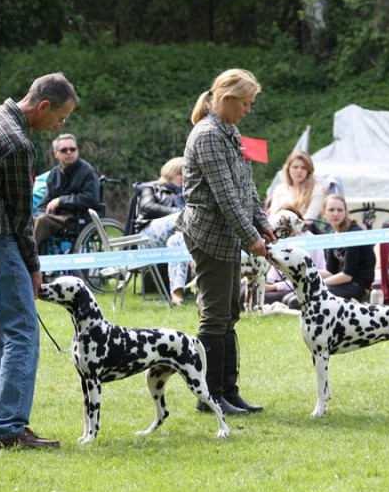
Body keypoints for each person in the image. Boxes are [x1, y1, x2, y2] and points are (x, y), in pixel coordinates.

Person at [0, 72, 78, 450]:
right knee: (21, 334)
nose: (59, 126)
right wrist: (34, 267)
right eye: (60, 118)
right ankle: (8, 428)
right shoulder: (18, 145)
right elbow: (22, 219)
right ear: (43, 106)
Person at [176, 68, 276, 416]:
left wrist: (262, 223)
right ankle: (210, 396)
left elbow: (245, 187)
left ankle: (229, 392)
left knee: (230, 312)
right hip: (209, 236)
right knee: (215, 316)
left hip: (229, 235)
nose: (248, 110)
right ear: (228, 98)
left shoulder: (230, 131)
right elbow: (224, 196)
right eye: (246, 103)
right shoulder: (207, 135)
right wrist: (252, 238)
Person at [282, 193, 375, 310]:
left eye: (340, 210)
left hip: (357, 286)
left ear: (345, 212)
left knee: (295, 301)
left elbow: (347, 276)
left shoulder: (353, 234)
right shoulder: (332, 235)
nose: (336, 214)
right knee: (287, 299)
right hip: (342, 284)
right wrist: (304, 270)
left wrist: (315, 283)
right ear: (324, 213)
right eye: (331, 210)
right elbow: (330, 272)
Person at [134, 157, 192, 306]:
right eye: (179, 173)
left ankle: (176, 293)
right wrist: (178, 212)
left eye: (186, 173)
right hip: (148, 237)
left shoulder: (189, 192)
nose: (183, 176)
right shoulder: (151, 187)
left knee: (177, 241)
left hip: (176, 234)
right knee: (183, 217)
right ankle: (196, 266)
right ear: (170, 172)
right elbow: (147, 207)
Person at [33, 133, 101, 252]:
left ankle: (29, 258)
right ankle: (36, 259)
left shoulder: (87, 171)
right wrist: (39, 215)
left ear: (77, 151)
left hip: (77, 218)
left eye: (72, 149)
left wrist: (61, 201)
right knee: (31, 220)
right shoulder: (54, 174)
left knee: (42, 221)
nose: (69, 152)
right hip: (55, 218)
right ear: (56, 154)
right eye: (64, 150)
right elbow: (43, 203)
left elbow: (91, 199)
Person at [267, 149, 326, 222]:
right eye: (295, 167)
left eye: (303, 168)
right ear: (288, 169)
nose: (299, 171)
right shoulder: (279, 189)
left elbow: (309, 219)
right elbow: (273, 217)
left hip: (305, 228)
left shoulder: (317, 189)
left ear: (308, 170)